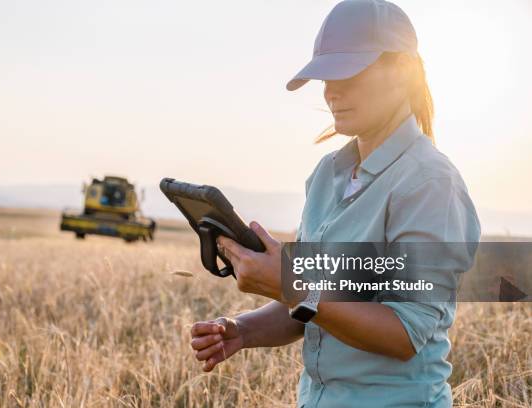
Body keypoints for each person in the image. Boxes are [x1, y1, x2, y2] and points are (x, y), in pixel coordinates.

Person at [189, 0, 481, 406]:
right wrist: (243, 331)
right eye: (325, 77)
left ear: (400, 72)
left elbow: (403, 333)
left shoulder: (430, 183)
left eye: (347, 73)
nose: (330, 92)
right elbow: (317, 307)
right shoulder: (327, 175)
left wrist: (293, 285)